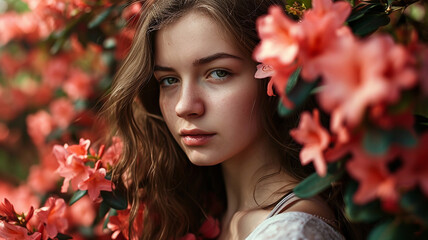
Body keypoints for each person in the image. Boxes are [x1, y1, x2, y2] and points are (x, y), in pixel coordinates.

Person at [104, 0, 356, 239]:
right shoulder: (202, 216)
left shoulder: (293, 232)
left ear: (276, 73)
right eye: (169, 80)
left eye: (218, 73)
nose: (185, 106)